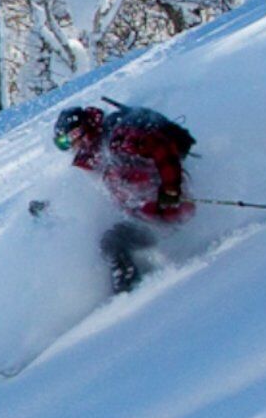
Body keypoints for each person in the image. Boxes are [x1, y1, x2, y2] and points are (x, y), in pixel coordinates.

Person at [53, 101, 195, 292]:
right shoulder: (99, 158)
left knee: (113, 242)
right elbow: (83, 199)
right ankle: (139, 278)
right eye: (63, 143)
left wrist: (170, 190)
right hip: (149, 215)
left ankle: (131, 294)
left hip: (168, 208)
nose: (73, 145)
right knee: (108, 241)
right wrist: (51, 208)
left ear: (87, 127)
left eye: (73, 136)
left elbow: (162, 147)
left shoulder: (119, 139)